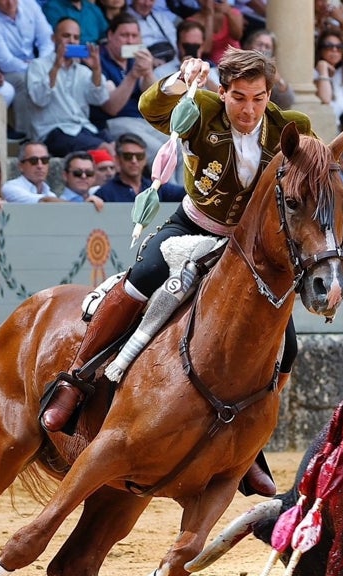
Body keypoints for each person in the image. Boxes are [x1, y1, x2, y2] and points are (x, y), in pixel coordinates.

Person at [39, 49, 314, 505]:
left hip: (246, 249)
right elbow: (151, 109)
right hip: (193, 225)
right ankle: (74, 380)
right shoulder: (202, 109)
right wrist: (180, 81)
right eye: (239, 97)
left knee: (285, 342)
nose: (249, 109)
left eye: (258, 98)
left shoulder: (291, 128)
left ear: (269, 94)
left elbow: (311, 173)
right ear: (222, 92)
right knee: (138, 281)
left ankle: (250, 447)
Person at [27, 17, 112, 157]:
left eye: (76, 37)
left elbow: (99, 99)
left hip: (83, 128)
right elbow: (39, 99)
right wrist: (56, 66)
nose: (71, 41)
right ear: (54, 38)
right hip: (52, 132)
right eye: (66, 36)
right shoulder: (38, 66)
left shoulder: (83, 71)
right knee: (103, 148)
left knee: (120, 148)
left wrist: (96, 69)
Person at [92, 14, 168, 161]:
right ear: (110, 35)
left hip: (142, 120)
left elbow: (156, 100)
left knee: (179, 146)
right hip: (114, 122)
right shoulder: (98, 61)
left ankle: (181, 185)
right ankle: (166, 185)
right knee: (161, 154)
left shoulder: (135, 59)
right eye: (124, 35)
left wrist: (148, 72)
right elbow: (112, 107)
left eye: (134, 36)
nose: (130, 41)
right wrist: (132, 76)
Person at [0, 0, 54, 141]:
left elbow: (47, 39)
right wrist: (34, 69)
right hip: (6, 71)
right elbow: (4, 60)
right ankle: (24, 134)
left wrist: (41, 64)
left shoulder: (30, 4)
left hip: (36, 63)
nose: (10, 3)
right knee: (23, 80)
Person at [95, 131, 187, 201]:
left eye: (139, 156)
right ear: (118, 159)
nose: (134, 161)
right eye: (128, 156)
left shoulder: (156, 187)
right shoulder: (105, 192)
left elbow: (187, 194)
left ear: (145, 159)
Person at [314, 26, 343, 121]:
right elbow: (326, 100)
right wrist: (323, 68)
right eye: (329, 46)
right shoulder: (314, 73)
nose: (334, 50)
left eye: (339, 47)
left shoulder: (341, 74)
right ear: (320, 49)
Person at [41, 0, 109, 47]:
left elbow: (105, 37)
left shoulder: (93, 9)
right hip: (65, 55)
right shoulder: (52, 7)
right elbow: (53, 39)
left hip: (93, 56)